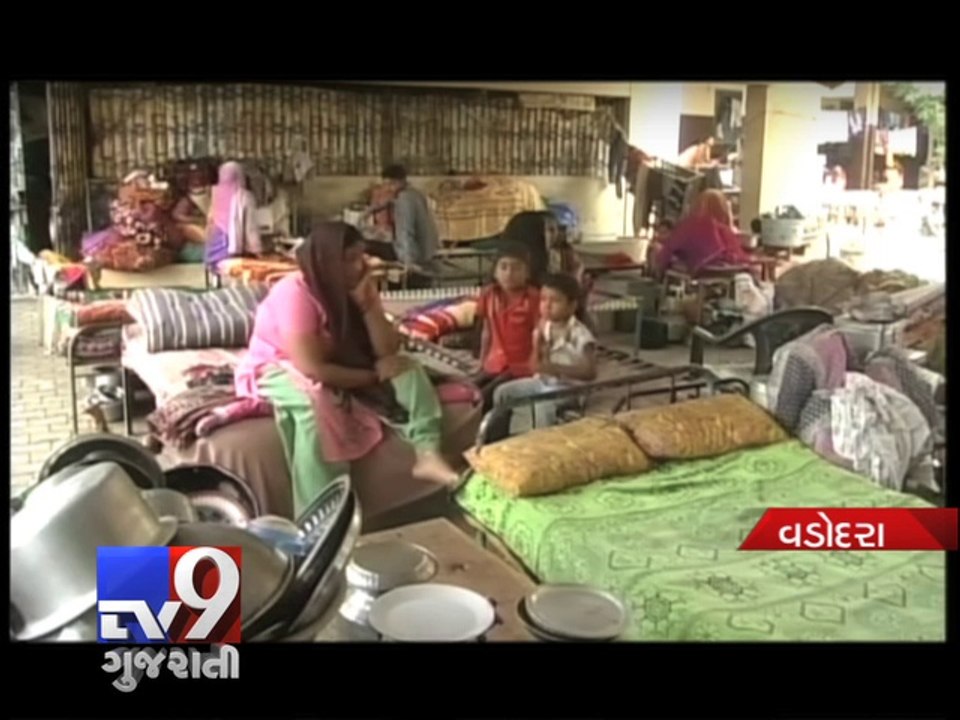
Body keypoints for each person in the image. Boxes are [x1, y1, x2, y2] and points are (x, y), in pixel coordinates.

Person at [233, 221, 460, 516]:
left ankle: (427, 452)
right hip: (278, 364)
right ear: (325, 261)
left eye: (360, 257)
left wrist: (368, 306)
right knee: (315, 405)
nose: (358, 266)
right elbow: (312, 368)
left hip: (342, 360)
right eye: (348, 259)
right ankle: (320, 516)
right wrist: (372, 376)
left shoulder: (356, 286)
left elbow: (385, 350)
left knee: (406, 368)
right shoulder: (296, 293)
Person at [492, 273, 597, 434]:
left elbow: (590, 372)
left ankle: (541, 441)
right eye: (543, 299)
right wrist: (536, 345)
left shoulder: (580, 335)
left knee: (542, 402)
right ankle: (516, 435)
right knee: (503, 393)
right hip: (543, 383)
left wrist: (555, 368)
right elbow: (535, 366)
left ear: (572, 306)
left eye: (555, 301)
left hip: (569, 389)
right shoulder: (543, 326)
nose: (547, 305)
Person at [473, 245, 540, 413]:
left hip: (522, 367)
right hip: (494, 363)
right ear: (495, 272)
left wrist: (535, 367)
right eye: (504, 267)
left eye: (516, 268)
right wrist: (481, 364)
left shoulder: (534, 297)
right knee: (467, 391)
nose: (509, 273)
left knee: (484, 398)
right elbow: (486, 332)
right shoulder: (488, 294)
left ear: (527, 273)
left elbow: (540, 335)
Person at [652, 189, 751, 278]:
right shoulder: (726, 230)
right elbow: (740, 256)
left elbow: (670, 248)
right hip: (730, 272)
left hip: (702, 270)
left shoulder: (691, 224)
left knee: (657, 248)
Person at [379, 164, 441, 273]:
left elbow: (405, 231)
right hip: (428, 252)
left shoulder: (404, 199)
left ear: (400, 182)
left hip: (415, 256)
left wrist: (408, 261)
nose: (388, 189)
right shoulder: (416, 194)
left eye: (391, 184)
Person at [205, 161, 262, 267]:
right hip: (234, 249)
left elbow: (210, 220)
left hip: (213, 250)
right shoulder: (244, 196)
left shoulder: (215, 193)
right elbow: (250, 227)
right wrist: (257, 250)